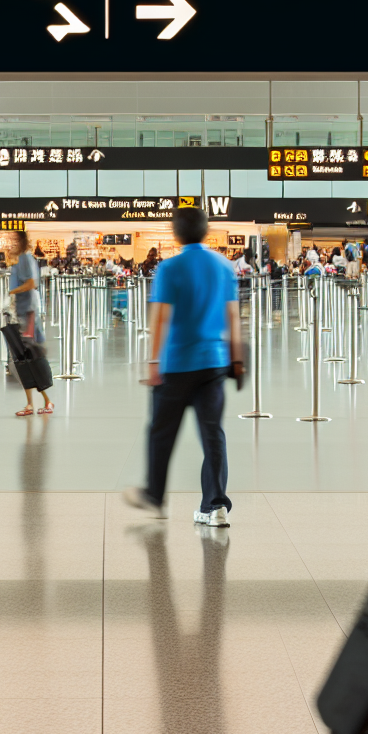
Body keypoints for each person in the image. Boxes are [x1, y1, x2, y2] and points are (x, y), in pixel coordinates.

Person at [123, 207, 244, 526]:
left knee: (162, 431)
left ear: (176, 233)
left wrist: (153, 361)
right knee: (213, 434)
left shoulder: (170, 268)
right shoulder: (224, 265)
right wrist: (236, 358)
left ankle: (155, 496)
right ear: (206, 231)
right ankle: (215, 505)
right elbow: (233, 316)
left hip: (175, 364)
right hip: (213, 363)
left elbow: (160, 317)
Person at [8, 230, 54, 416]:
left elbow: (31, 284)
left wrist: (11, 293)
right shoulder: (20, 260)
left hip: (28, 314)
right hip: (22, 312)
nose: (10, 244)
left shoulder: (26, 259)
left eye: (13, 240)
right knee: (21, 357)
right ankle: (30, 403)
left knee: (29, 357)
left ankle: (47, 400)